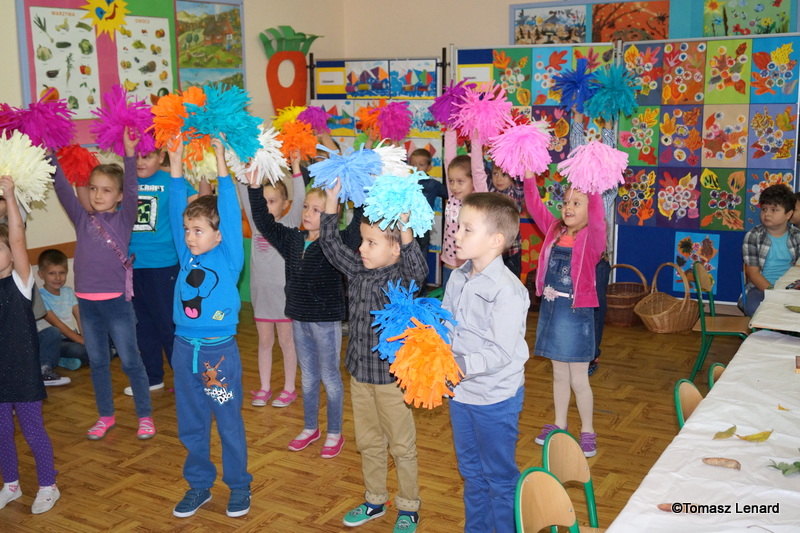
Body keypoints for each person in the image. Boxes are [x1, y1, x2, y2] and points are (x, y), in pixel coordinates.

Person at [319, 180, 428, 532]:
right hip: (360, 376)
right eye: (363, 241)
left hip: (391, 381)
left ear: (394, 249)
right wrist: (331, 204)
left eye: (371, 242)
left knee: (402, 445)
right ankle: (375, 499)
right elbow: (330, 245)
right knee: (368, 442)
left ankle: (409, 506)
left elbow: (419, 270)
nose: (362, 248)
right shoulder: (357, 269)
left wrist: (406, 229)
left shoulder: (402, 279)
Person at [167, 139, 252, 519]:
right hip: (184, 349)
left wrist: (220, 162)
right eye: (188, 230)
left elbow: (229, 211)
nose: (190, 237)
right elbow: (175, 210)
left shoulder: (229, 255)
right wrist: (175, 164)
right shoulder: (186, 253)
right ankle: (199, 485)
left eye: (198, 230)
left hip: (218, 355)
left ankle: (239, 485)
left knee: (227, 422)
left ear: (218, 234)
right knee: (191, 423)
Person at [247, 174, 361, 457]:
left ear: (332, 212)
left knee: (330, 378)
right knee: (308, 377)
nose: (308, 213)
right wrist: (254, 188)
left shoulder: (337, 243)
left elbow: (357, 225)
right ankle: (311, 427)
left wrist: (358, 190)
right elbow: (263, 221)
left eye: (317, 210)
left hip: (325, 321)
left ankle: (334, 432)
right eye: (306, 207)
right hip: (298, 319)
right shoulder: (293, 239)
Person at [52, 128, 154, 441]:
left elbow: (133, 188)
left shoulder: (124, 219)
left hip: (116, 303)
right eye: (94, 188)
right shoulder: (82, 218)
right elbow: (62, 189)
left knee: (131, 361)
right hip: (87, 304)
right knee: (97, 362)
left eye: (107, 190)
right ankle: (105, 416)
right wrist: (49, 155)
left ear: (119, 196)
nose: (98, 195)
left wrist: (129, 154)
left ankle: (144, 416)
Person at [442, 192, 529, 533]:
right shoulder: (457, 277)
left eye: (467, 229)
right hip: (461, 395)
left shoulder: (508, 291)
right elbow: (446, 325)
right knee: (471, 472)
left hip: (495, 398)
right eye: (458, 226)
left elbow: (500, 352)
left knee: (499, 476)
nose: (456, 234)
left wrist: (459, 366)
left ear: (496, 240)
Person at [524, 169, 605, 458]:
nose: (568, 207)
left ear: (590, 210)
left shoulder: (593, 238)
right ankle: (560, 424)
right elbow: (534, 204)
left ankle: (588, 431)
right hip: (552, 310)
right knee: (559, 374)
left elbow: (597, 214)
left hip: (576, 313)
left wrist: (590, 181)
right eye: (566, 202)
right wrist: (529, 176)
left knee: (578, 379)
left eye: (576, 203)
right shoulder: (554, 230)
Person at [0, 176, 60, 514]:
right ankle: (11, 484)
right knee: (2, 432)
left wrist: (10, 196)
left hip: (23, 371)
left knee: (33, 431)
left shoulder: (20, 283)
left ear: (12, 255)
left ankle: (48, 485)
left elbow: (18, 237)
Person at [126, 145, 201, 396]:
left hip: (164, 266)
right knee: (142, 326)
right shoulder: (125, 180)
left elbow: (198, 208)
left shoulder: (171, 180)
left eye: (147, 156)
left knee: (168, 325)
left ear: (161, 156)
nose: (140, 161)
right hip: (132, 268)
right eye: (136, 155)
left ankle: (184, 379)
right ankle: (152, 377)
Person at [239, 153, 304, 408]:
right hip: (262, 298)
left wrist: (296, 167)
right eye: (263, 201)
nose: (266, 206)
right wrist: (243, 168)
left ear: (285, 204)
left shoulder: (289, 224)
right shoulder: (257, 225)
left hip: (285, 299)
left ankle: (289, 389)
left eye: (273, 201)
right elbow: (245, 192)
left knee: (287, 343)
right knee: (264, 343)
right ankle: (265, 387)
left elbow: (300, 197)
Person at [570, 109, 616, 376]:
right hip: (574, 259)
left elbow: (609, 155)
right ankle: (573, 350)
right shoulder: (576, 189)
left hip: (597, 263)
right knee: (573, 308)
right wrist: (577, 119)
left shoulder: (605, 193)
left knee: (595, 311)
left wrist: (608, 124)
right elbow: (575, 154)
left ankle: (591, 356)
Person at [742, 184, 800, 317]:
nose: (767, 214)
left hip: (792, 289)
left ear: (788, 214)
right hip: (761, 288)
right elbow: (753, 273)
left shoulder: (797, 236)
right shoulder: (753, 236)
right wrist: (773, 292)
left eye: (774, 210)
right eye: (764, 209)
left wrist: (787, 292)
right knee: (753, 307)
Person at [441, 129, 488, 289]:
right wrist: (450, 128)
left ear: (473, 180)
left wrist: (475, 133)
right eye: (451, 181)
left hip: (471, 266)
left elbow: (477, 169)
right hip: (450, 263)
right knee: (448, 302)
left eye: (460, 181)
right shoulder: (453, 196)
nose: (454, 186)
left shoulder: (479, 199)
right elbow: (448, 160)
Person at [35, 249, 90, 377]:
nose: (58, 278)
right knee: (80, 349)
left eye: (62, 273)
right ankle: (55, 359)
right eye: (52, 273)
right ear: (41, 274)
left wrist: (86, 337)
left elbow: (80, 316)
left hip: (71, 337)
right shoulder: (39, 297)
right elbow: (58, 325)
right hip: (54, 341)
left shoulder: (68, 292)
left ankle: (62, 360)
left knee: (96, 343)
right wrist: (81, 340)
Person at [408, 148, 447, 257]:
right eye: (413, 164)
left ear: (429, 167)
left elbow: (449, 194)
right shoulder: (406, 182)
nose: (417, 168)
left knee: (422, 253)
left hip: (423, 227)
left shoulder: (434, 184)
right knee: (406, 253)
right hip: (407, 225)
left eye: (421, 165)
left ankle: (422, 268)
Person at [487, 164, 524, 278]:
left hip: (511, 254)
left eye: (504, 174)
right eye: (495, 174)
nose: (498, 179)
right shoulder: (490, 190)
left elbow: (519, 178)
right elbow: (479, 169)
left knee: (511, 283)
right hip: (492, 253)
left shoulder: (515, 193)